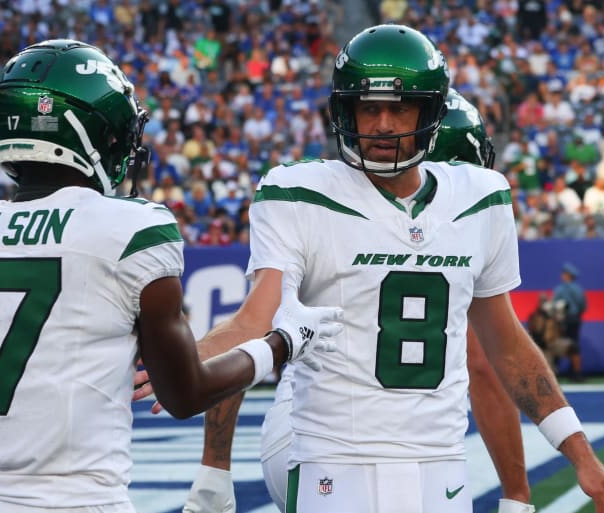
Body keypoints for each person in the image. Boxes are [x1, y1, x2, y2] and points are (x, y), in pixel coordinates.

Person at [152, 25, 604, 513]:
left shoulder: (480, 199)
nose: (382, 125)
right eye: (369, 107)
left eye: (400, 107)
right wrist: (182, 363)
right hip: (331, 457)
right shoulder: (300, 193)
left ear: (431, 112)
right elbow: (256, 320)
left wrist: (580, 452)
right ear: (344, 111)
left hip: (439, 462)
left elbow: (503, 344)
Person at [0, 40, 343, 513]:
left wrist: (6, 481)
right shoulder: (132, 229)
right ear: (87, 136)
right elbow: (185, 394)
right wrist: (282, 343)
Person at [181, 89, 536, 513]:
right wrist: (517, 494)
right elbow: (485, 367)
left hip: (310, 435)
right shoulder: (329, 201)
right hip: (336, 444)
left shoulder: (321, 198)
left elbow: (247, 335)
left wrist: (215, 468)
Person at [552, 262, 588, 382]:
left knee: (557, 344)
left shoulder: (560, 289)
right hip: (575, 319)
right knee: (574, 345)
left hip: (562, 321)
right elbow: (583, 306)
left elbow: (555, 306)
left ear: (567, 275)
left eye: (564, 274)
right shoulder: (578, 289)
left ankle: (553, 372)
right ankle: (576, 373)